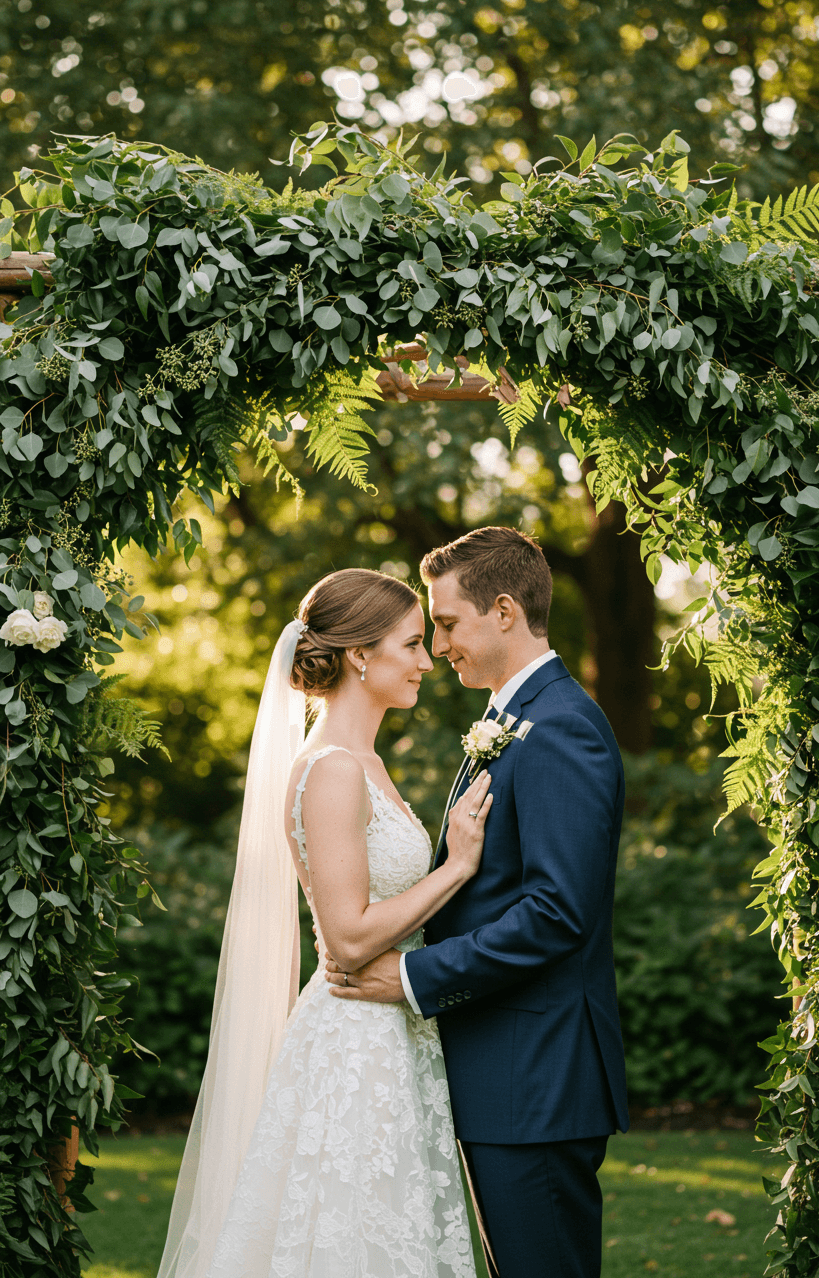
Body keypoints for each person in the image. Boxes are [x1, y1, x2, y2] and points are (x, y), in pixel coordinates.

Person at [157, 568, 492, 1278]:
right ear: (360, 655)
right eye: (411, 644)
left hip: (392, 1030)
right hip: (355, 1043)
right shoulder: (334, 768)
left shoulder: (365, 761)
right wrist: (455, 867)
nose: (427, 660)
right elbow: (345, 936)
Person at [326, 527, 629, 1278]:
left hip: (536, 1077)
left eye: (448, 623)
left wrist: (412, 977)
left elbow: (558, 912)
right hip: (503, 1069)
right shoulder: (511, 719)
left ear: (503, 611)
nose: (438, 645)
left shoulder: (560, 728)